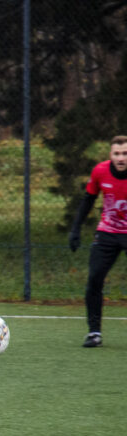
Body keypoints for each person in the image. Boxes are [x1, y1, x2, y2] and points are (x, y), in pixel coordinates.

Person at [68, 134, 127, 348]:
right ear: (110, 154)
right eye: (117, 153)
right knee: (94, 278)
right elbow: (88, 200)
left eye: (125, 153)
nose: (121, 158)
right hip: (107, 233)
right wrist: (75, 229)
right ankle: (94, 333)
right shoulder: (100, 171)